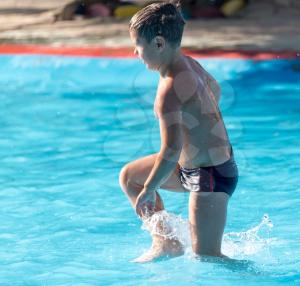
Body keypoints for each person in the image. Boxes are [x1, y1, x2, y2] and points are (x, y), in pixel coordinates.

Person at [118, 0, 239, 262]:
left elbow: (171, 150)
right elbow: (215, 90)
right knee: (130, 177)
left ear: (159, 44)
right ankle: (167, 243)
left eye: (137, 47)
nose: (135, 54)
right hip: (194, 166)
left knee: (207, 258)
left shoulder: (169, 92)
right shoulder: (190, 63)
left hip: (209, 178)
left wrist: (150, 189)